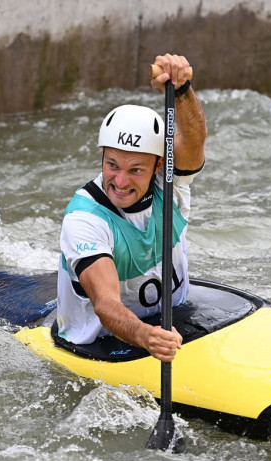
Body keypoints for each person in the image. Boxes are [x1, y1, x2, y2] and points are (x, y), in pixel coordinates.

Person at [56, 54, 207, 362]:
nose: (120, 181)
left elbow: (194, 140)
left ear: (159, 166)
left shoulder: (170, 184)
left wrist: (180, 90)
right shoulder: (84, 218)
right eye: (112, 165)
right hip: (102, 343)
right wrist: (145, 337)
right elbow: (106, 305)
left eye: (136, 169)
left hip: (173, 319)